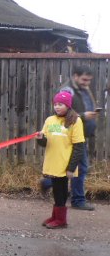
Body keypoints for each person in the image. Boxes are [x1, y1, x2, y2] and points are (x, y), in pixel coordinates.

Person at [36, 91, 85, 228]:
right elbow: (45, 143)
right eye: (55, 104)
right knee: (57, 190)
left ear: (68, 105)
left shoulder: (75, 121)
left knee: (60, 191)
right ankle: (55, 216)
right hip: (52, 162)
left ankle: (61, 220)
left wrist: (71, 167)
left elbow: (79, 147)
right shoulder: (49, 120)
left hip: (64, 164)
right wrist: (41, 138)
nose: (57, 107)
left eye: (61, 104)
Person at [59, 65, 99, 210]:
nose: (86, 83)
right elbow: (62, 112)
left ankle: (47, 183)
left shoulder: (83, 89)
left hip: (80, 134)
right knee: (81, 168)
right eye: (84, 80)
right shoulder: (67, 91)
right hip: (73, 134)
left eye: (89, 81)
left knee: (74, 166)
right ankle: (78, 200)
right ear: (75, 76)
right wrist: (83, 115)